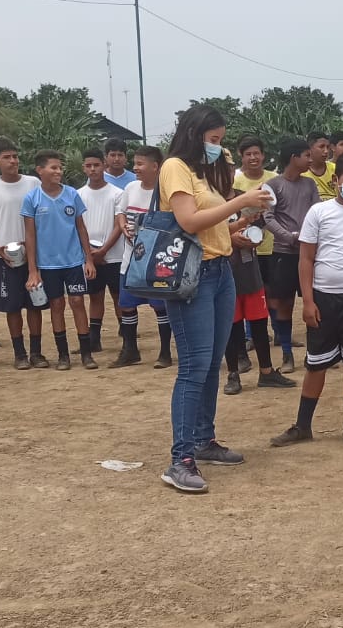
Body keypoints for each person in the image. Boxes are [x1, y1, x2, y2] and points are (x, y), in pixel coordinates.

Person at [158, 104, 272, 494]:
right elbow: (188, 221)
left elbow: (210, 223)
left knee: (209, 365)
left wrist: (238, 225)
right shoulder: (175, 167)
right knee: (194, 366)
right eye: (214, 140)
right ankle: (180, 459)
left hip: (220, 271)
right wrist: (239, 203)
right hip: (192, 277)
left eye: (222, 140)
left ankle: (202, 440)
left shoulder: (202, 173)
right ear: (195, 134)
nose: (219, 147)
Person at [269, 153, 343, 449]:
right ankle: (302, 426)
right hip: (323, 299)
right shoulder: (319, 213)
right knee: (317, 363)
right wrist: (308, 302)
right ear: (336, 180)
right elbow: (306, 259)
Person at [21, 150, 98, 371]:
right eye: (53, 167)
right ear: (40, 170)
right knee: (56, 305)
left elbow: (81, 228)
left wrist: (89, 260)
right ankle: (63, 355)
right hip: (48, 264)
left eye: (60, 167)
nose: (58, 171)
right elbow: (30, 235)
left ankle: (86, 354)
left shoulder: (72, 194)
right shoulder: (32, 198)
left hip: (73, 261)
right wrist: (33, 270)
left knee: (77, 302)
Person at [222, 178, 297, 394]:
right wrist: (229, 237)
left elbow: (258, 225)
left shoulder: (244, 197)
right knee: (231, 327)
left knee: (259, 323)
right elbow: (205, 232)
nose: (225, 172)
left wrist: (255, 238)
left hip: (250, 272)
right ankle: (233, 374)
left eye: (228, 168)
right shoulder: (209, 201)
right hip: (225, 274)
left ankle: (266, 371)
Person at [0, 137, 46, 370]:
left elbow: (41, 214)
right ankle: (20, 354)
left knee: (35, 303)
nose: (13, 161)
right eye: (6, 157)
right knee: (12, 306)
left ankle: (36, 352)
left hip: (33, 254)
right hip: (6, 256)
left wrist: (33, 245)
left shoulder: (33, 183)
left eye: (15, 156)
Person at [264, 138, 320, 371]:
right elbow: (267, 217)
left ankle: (314, 354)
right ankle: (287, 354)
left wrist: (309, 237)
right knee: (284, 304)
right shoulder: (272, 185)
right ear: (293, 158)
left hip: (310, 252)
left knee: (314, 301)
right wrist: (289, 237)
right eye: (307, 156)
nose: (310, 160)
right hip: (284, 253)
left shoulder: (310, 184)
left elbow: (318, 212)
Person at [112, 145, 171, 368]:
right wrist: (123, 227)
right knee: (126, 304)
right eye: (134, 163)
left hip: (156, 260)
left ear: (155, 166)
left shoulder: (166, 192)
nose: (135, 168)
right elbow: (120, 212)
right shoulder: (130, 187)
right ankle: (130, 350)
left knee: (160, 306)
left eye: (140, 163)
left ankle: (165, 352)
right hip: (131, 259)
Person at [77, 148, 126, 353]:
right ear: (83, 168)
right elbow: (78, 226)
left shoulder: (117, 194)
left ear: (104, 166)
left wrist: (104, 250)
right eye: (88, 166)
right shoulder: (78, 194)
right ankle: (94, 340)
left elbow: (119, 225)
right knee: (95, 296)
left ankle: (127, 339)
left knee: (118, 297)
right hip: (90, 257)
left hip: (114, 256)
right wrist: (90, 253)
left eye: (96, 165)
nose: (93, 169)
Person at [306, 131, 337, 201]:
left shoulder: (336, 169)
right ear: (309, 149)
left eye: (328, 147)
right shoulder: (301, 173)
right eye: (321, 146)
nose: (326, 151)